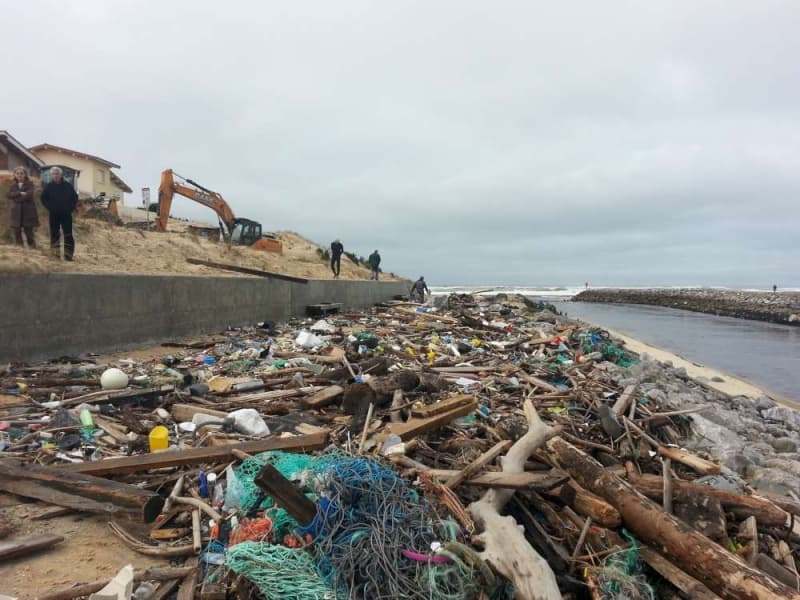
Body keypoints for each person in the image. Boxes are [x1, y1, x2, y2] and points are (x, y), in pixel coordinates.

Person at [40, 166, 78, 261]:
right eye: (54, 174)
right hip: (54, 214)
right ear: (51, 175)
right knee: (54, 235)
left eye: (57, 173)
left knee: (68, 235)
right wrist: (50, 208)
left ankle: (68, 257)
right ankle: (55, 256)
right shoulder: (49, 186)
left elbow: (75, 198)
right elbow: (43, 198)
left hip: (66, 214)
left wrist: (70, 208)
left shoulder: (68, 185)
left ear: (60, 174)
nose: (55, 175)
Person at [6, 167, 38, 248]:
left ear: (25, 174)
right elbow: (8, 195)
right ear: (15, 175)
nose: (19, 175)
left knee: (29, 232)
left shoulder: (30, 184)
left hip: (28, 211)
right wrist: (20, 193)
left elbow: (29, 195)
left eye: (21, 173)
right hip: (16, 211)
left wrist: (16, 197)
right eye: (18, 173)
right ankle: (20, 249)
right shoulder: (12, 184)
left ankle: (33, 249)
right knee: (17, 231)